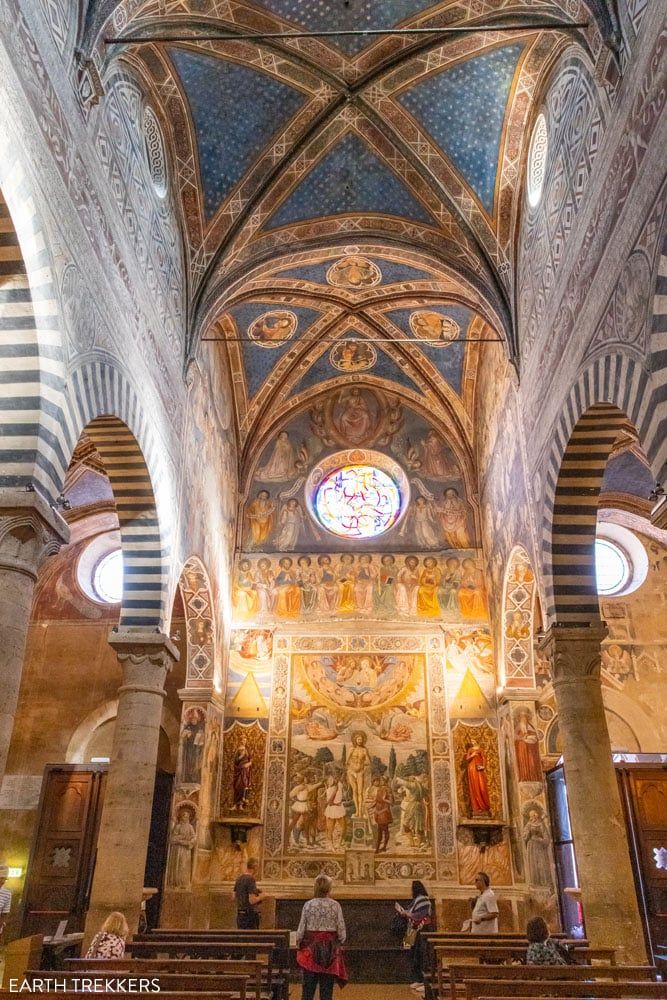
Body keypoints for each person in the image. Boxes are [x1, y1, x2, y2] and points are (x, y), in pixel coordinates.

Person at [296, 874, 348, 1000]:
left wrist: (298, 943)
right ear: (329, 889)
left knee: (308, 989)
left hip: (310, 950)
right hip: (329, 951)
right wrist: (340, 940)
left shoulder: (308, 905)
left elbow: (301, 929)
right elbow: (341, 931)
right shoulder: (335, 906)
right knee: (326, 990)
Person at [395, 880, 433, 993]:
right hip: (414, 930)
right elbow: (413, 913)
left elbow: (419, 915)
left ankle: (424, 981)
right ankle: (419, 979)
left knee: (421, 955)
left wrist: (406, 913)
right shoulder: (417, 900)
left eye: (412, 888)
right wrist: (404, 913)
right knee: (415, 955)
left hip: (422, 929)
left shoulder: (423, 899)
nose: (411, 891)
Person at [234, 857, 264, 929]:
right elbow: (252, 900)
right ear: (255, 867)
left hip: (240, 914)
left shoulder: (239, 879)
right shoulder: (250, 879)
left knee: (242, 938)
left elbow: (233, 896)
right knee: (251, 939)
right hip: (249, 916)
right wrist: (262, 896)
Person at [0, 865, 11, 951]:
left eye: (5, 878)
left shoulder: (7, 893)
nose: (3, 881)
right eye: (1, 878)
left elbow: (4, 914)